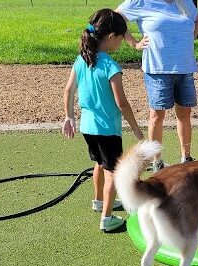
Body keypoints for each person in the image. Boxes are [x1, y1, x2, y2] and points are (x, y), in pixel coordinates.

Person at [62, 9, 144, 232]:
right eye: (120, 38)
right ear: (111, 37)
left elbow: (68, 91)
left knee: (99, 163)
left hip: (88, 128)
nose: (121, 42)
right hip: (107, 129)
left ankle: (99, 202)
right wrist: (136, 128)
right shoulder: (110, 67)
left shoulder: (82, 59)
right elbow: (122, 104)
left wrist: (69, 117)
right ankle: (107, 219)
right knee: (114, 173)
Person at [117, 0, 198, 170]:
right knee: (157, 115)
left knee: (185, 113)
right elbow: (116, 18)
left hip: (185, 67)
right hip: (157, 68)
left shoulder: (184, 2)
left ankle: (186, 158)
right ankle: (157, 161)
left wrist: (189, 37)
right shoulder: (141, 2)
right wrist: (135, 43)